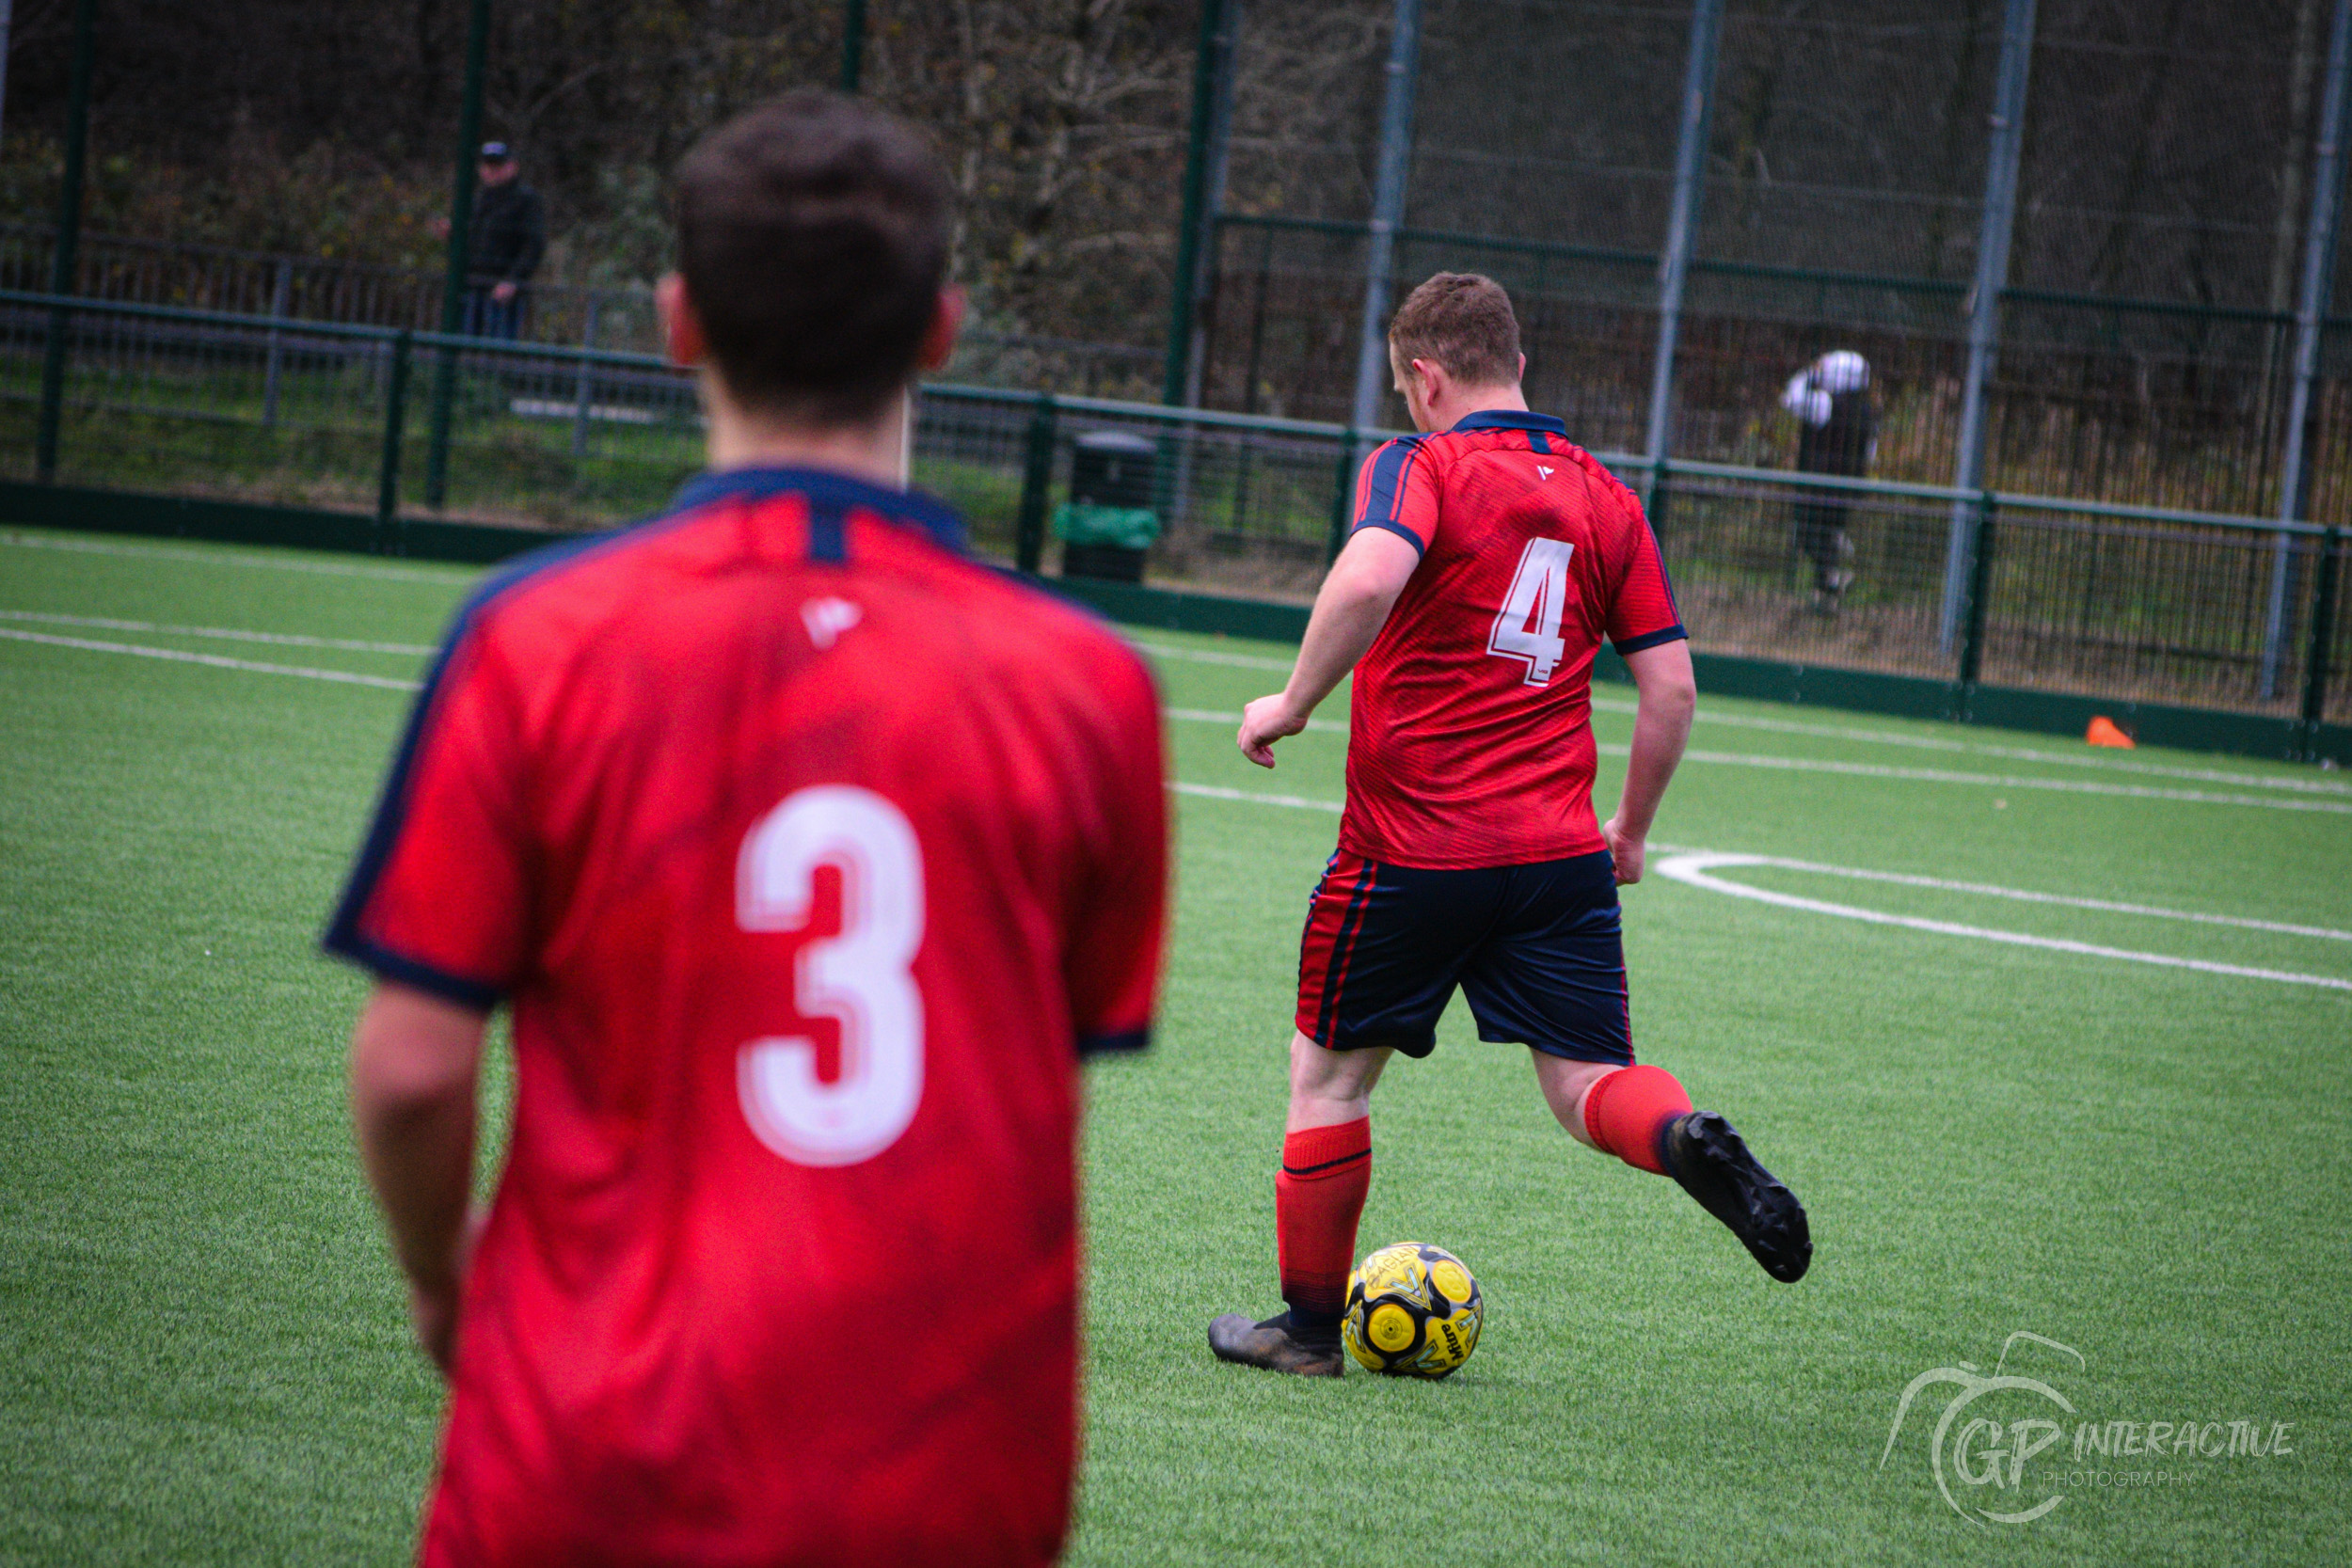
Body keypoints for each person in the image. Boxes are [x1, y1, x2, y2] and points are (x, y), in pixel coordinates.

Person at [327, 91, 1167, 1563]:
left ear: (674, 321)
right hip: (947, 1472)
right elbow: (1048, 1080)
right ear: (941, 333)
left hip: (585, 1447)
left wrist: (445, 1290)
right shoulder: (1087, 683)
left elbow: (409, 1069)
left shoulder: (535, 640)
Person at [1207, 272, 1809, 1380]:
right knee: (1587, 1085)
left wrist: (1291, 702)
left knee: (1330, 1078)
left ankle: (1302, 1329)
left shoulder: (1417, 464)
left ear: (1426, 378)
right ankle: (1682, 1138)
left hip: (1411, 849)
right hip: (1557, 856)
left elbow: (1372, 569)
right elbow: (1670, 690)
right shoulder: (1603, 493)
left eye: (1405, 389)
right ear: (1518, 367)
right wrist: (1628, 830)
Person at [1781, 349, 1875, 610]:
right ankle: (1827, 589)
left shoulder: (1825, 403)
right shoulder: (1867, 411)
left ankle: (1832, 577)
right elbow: (1870, 452)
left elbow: (1790, 398)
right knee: (1825, 532)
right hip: (1848, 486)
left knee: (1808, 531)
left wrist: (1810, 373)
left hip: (1819, 485)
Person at [460, 142, 546, 339]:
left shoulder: (526, 199)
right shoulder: (477, 199)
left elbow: (534, 244)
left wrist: (512, 280)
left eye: (497, 165)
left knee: (496, 353)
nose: (492, 171)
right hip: (471, 286)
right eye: (487, 165)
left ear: (512, 166)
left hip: (502, 292)